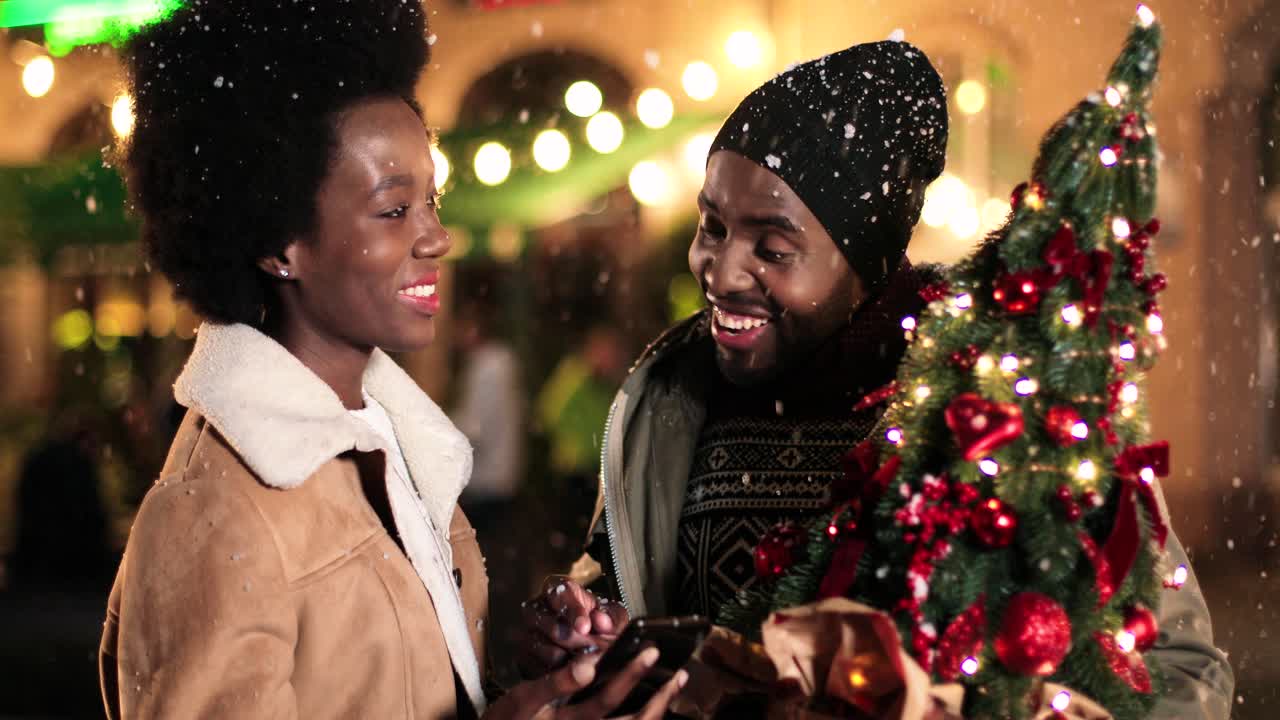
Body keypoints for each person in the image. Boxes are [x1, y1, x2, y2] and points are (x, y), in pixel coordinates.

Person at [520, 39, 1234, 719]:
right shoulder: (671, 396)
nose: (721, 269)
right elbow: (622, 579)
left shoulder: (1000, 403)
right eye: (711, 226)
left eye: (773, 247)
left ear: (863, 263)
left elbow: (1177, 668)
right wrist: (590, 625)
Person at [98, 3, 683, 719]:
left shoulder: (392, 445)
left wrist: (528, 679)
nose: (437, 237)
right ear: (281, 245)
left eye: (433, 201)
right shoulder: (212, 517)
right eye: (393, 210)